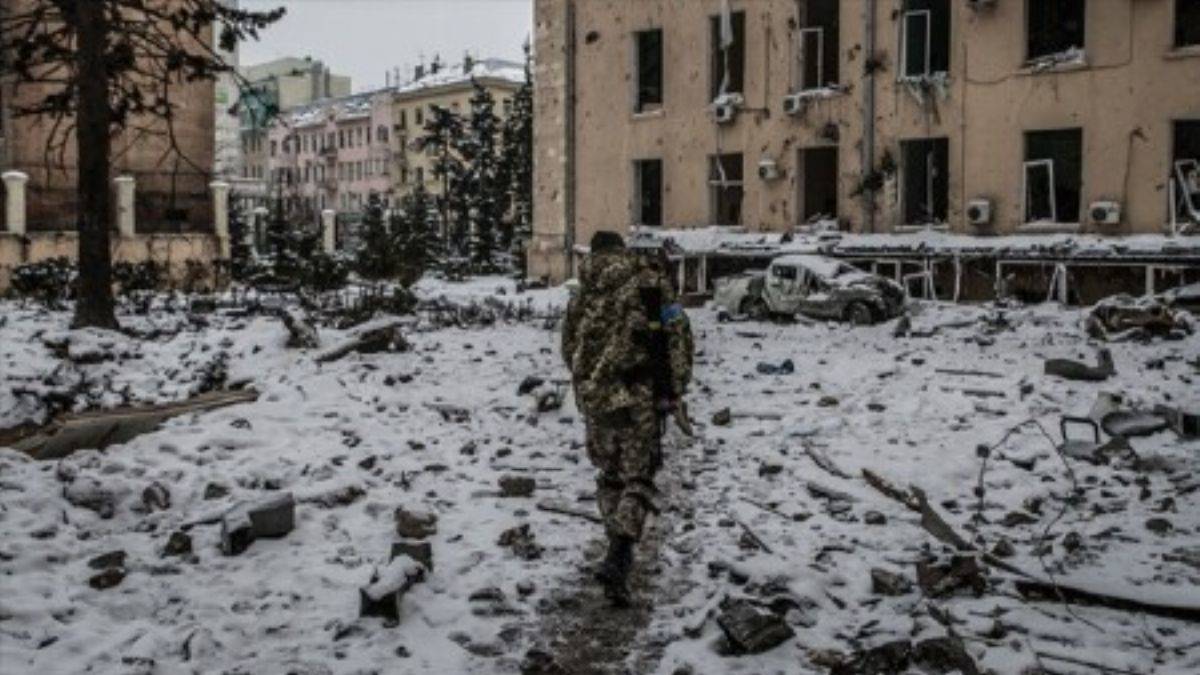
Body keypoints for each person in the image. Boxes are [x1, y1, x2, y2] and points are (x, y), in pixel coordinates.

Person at [562, 231, 694, 607]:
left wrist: (591, 381)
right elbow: (678, 335)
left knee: (609, 476)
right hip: (638, 398)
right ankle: (619, 554)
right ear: (622, 251)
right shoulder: (649, 283)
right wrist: (675, 389)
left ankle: (615, 553)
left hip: (596, 402)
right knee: (639, 477)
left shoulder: (582, 295)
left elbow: (568, 348)